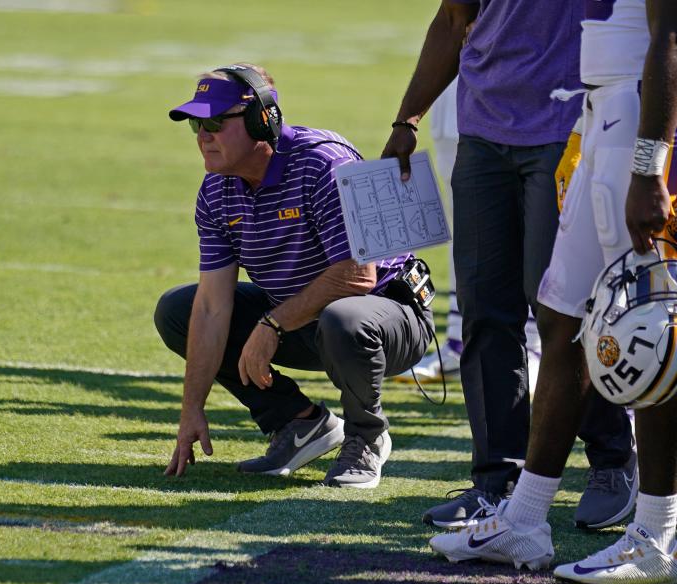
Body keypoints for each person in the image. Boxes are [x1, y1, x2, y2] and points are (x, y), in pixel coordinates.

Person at [429, 0, 677, 584]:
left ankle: (657, 531)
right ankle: (526, 516)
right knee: (561, 316)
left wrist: (650, 167)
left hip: (638, 119)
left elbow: (669, 35)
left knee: (647, 326)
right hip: (601, 111)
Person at [382, 0, 636, 529]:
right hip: (483, 131)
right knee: (484, 311)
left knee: (561, 311)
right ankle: (498, 480)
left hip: (569, 130)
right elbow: (454, 19)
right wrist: (408, 117)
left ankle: (614, 460)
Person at [155, 63, 433, 488]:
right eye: (195, 124)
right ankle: (300, 424)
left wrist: (271, 325)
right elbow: (212, 307)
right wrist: (191, 407)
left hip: (388, 316)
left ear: (261, 119)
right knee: (178, 310)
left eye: (213, 122)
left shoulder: (323, 162)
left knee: (346, 318)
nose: (202, 135)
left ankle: (367, 437)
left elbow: (358, 276)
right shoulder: (216, 189)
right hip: (304, 320)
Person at [393, 78, 543, 390]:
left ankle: (532, 344)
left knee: (530, 223)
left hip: (526, 91)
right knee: (463, 224)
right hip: (461, 87)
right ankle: (459, 340)